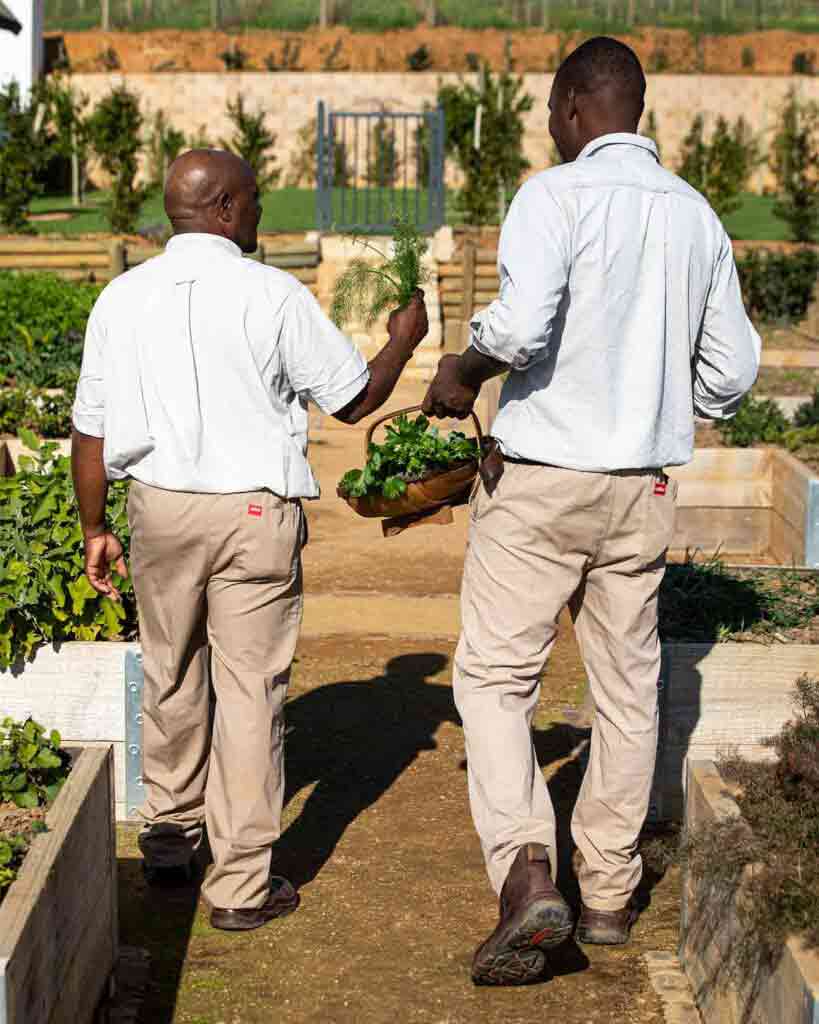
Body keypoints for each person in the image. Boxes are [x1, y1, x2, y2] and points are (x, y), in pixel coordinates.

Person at [423, 36, 761, 986]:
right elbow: (731, 372)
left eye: (547, 109)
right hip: (641, 485)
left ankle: (528, 867)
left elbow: (522, 326)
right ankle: (607, 893)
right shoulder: (696, 215)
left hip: (541, 478)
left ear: (573, 106)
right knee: (624, 687)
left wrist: (463, 369)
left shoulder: (552, 194)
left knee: (495, 678)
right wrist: (653, 394)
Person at [71, 149, 428, 931]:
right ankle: (238, 887)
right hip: (251, 515)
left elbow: (89, 429)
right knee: (249, 692)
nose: (263, 211)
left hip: (158, 507)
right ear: (227, 209)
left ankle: (171, 828)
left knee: (170, 665)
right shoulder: (273, 295)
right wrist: (402, 339)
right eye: (257, 198)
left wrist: (95, 526)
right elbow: (352, 398)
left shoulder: (120, 298)